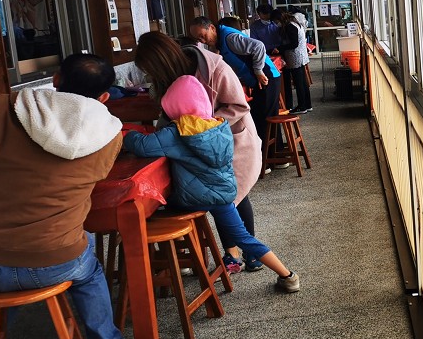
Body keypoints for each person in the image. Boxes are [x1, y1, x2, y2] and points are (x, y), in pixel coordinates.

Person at [0, 52, 134, 339]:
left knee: (4, 287)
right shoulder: (110, 135)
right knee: (88, 267)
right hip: (57, 258)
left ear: (56, 79)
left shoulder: (2, 107)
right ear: (105, 97)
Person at [122, 75, 300, 293]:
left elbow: (143, 146)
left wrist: (126, 134)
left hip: (192, 200)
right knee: (243, 237)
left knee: (158, 207)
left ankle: (177, 265)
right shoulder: (219, 125)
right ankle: (288, 276)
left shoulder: (176, 132)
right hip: (223, 194)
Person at [133, 31, 263, 272]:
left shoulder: (214, 67)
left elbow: (239, 105)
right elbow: (169, 115)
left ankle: (251, 253)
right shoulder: (166, 80)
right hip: (196, 145)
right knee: (218, 197)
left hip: (230, 140)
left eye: (150, 70)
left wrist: (203, 127)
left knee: (236, 195)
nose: (149, 77)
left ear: (160, 63)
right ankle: (232, 254)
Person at [188, 16, 283, 170]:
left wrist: (258, 71)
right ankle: (276, 158)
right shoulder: (218, 43)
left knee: (262, 120)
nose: (202, 41)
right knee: (264, 117)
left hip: (267, 77)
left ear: (211, 28)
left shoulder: (230, 38)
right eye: (198, 39)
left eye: (203, 36)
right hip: (259, 81)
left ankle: (265, 162)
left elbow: (258, 46)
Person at [272, 7, 312, 113]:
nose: (276, 24)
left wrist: (279, 48)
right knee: (302, 82)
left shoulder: (290, 26)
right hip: (300, 56)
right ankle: (307, 105)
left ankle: (302, 106)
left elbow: (294, 44)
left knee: (299, 83)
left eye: (276, 21)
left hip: (296, 57)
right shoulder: (293, 22)